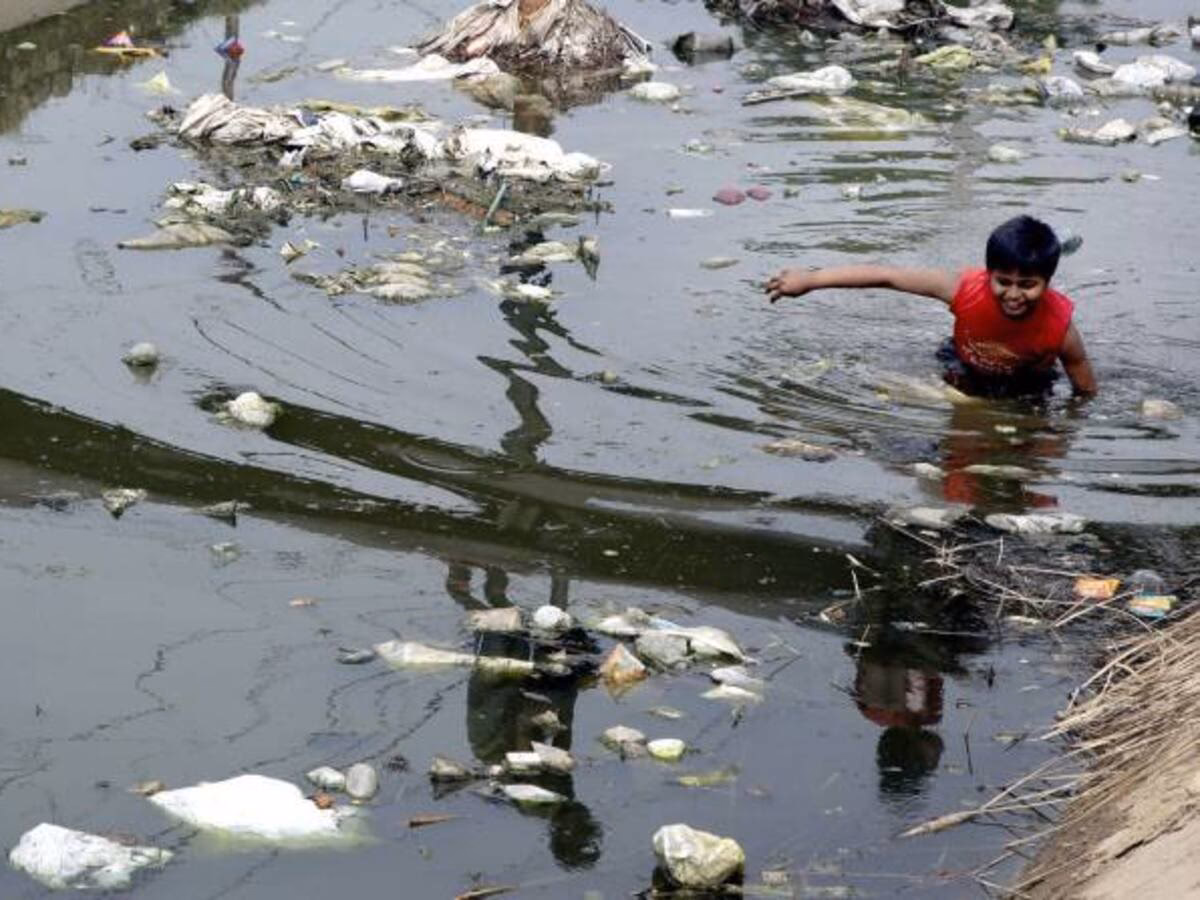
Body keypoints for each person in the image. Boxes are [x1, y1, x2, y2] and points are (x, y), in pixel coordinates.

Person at [765, 215, 1098, 398]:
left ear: (1047, 282)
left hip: (1026, 381)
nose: (1013, 294)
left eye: (1028, 285)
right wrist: (810, 279)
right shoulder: (962, 289)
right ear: (988, 275)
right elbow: (887, 276)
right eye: (1003, 282)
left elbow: (1084, 386)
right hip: (964, 360)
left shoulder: (1060, 329)